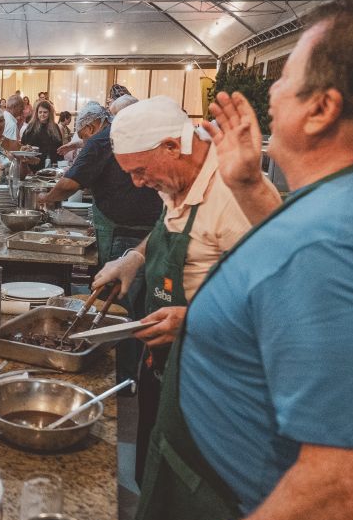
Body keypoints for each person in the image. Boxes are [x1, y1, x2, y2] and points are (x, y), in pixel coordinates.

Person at [129, 0, 353, 520]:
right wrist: (250, 184)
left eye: (286, 76)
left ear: (323, 108)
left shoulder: (330, 238)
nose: (270, 92)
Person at [92, 95, 279, 483]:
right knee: (155, 465)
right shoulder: (177, 179)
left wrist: (194, 321)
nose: (137, 182)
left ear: (173, 146)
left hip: (214, 377)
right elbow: (171, 228)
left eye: (140, 170)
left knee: (192, 485)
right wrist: (134, 257)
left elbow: (277, 304)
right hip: (163, 363)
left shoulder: (234, 197)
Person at [39, 101, 162, 265]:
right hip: (151, 227)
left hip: (122, 232)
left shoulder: (98, 141)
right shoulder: (123, 132)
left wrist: (46, 197)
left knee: (116, 284)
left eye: (83, 136)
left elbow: (69, 185)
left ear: (90, 127)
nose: (85, 142)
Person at [21, 99, 62, 167]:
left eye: (45, 112)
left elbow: (59, 148)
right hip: (34, 165)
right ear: (36, 113)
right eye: (40, 112)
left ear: (49, 113)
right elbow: (23, 145)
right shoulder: (30, 127)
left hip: (51, 165)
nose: (42, 114)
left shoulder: (55, 127)